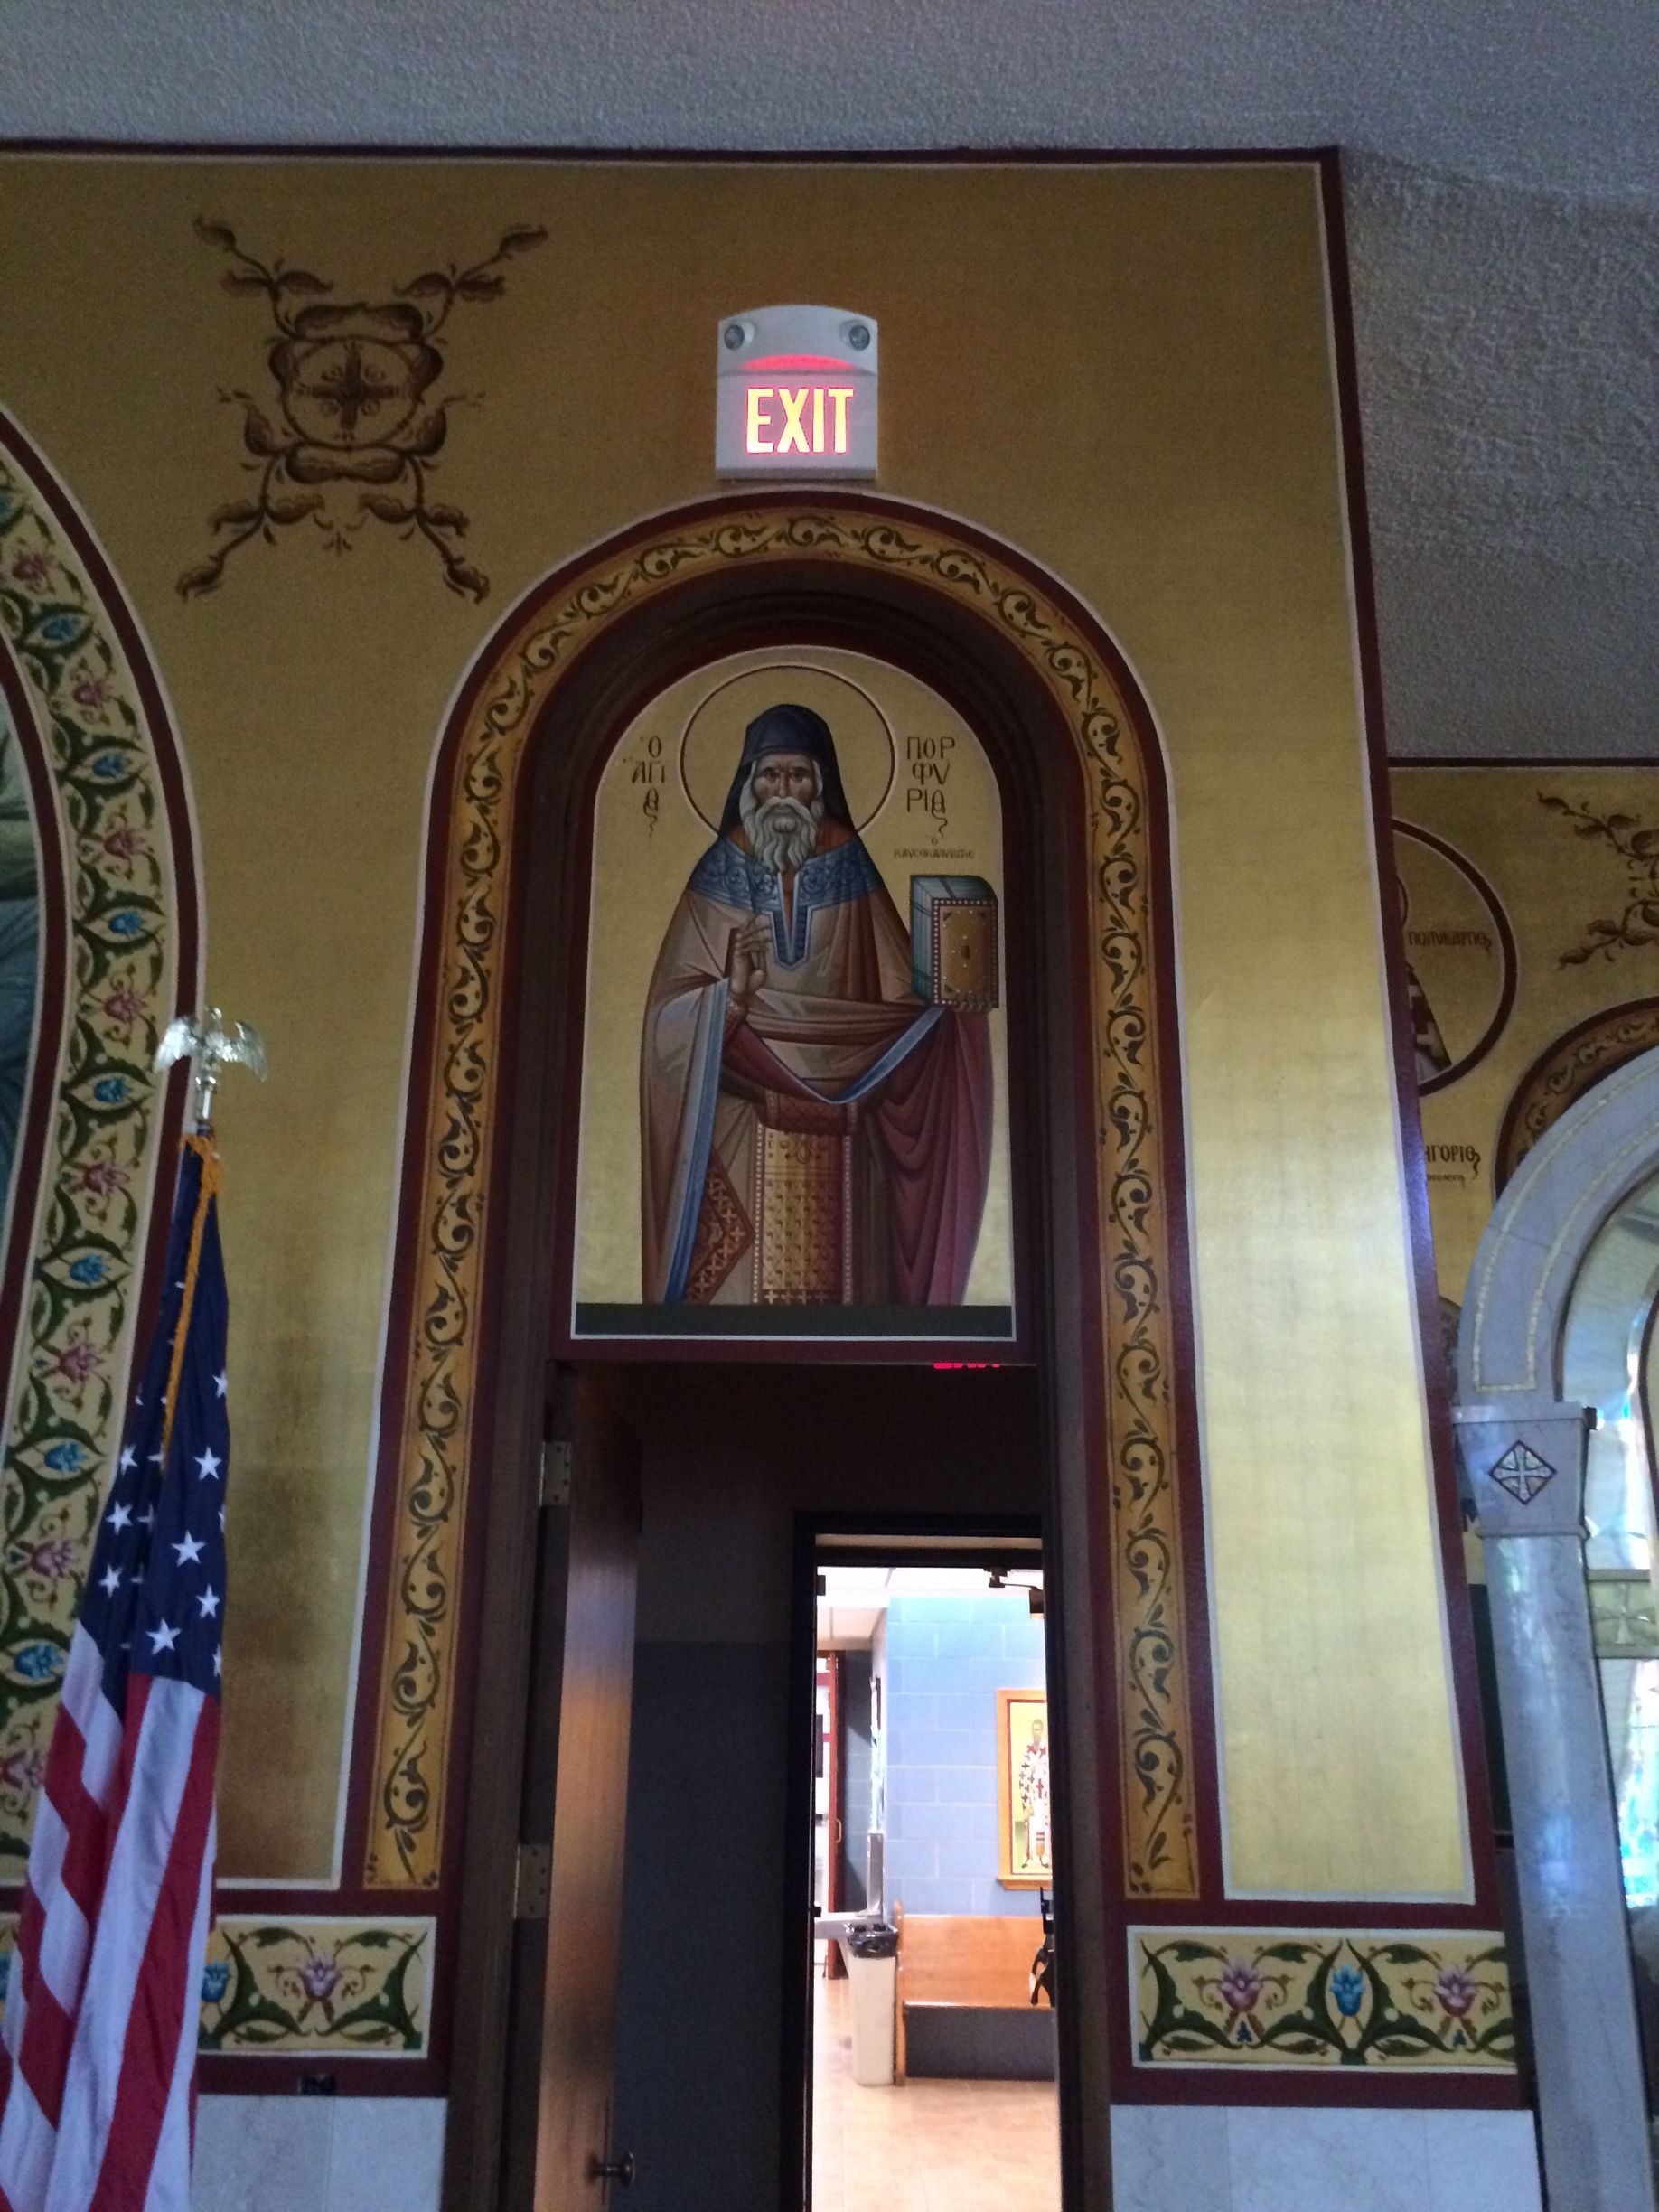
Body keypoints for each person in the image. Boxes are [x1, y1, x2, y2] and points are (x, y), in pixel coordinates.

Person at [640, 701, 992, 1308]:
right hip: (742, 1125)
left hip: (844, 1135)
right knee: (736, 1314)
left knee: (844, 1301)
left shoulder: (848, 863)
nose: (784, 791)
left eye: (798, 775)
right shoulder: (719, 870)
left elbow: (896, 997)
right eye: (770, 775)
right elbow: (666, 1022)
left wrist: (951, 1001)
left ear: (820, 784)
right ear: (748, 783)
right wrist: (730, 997)